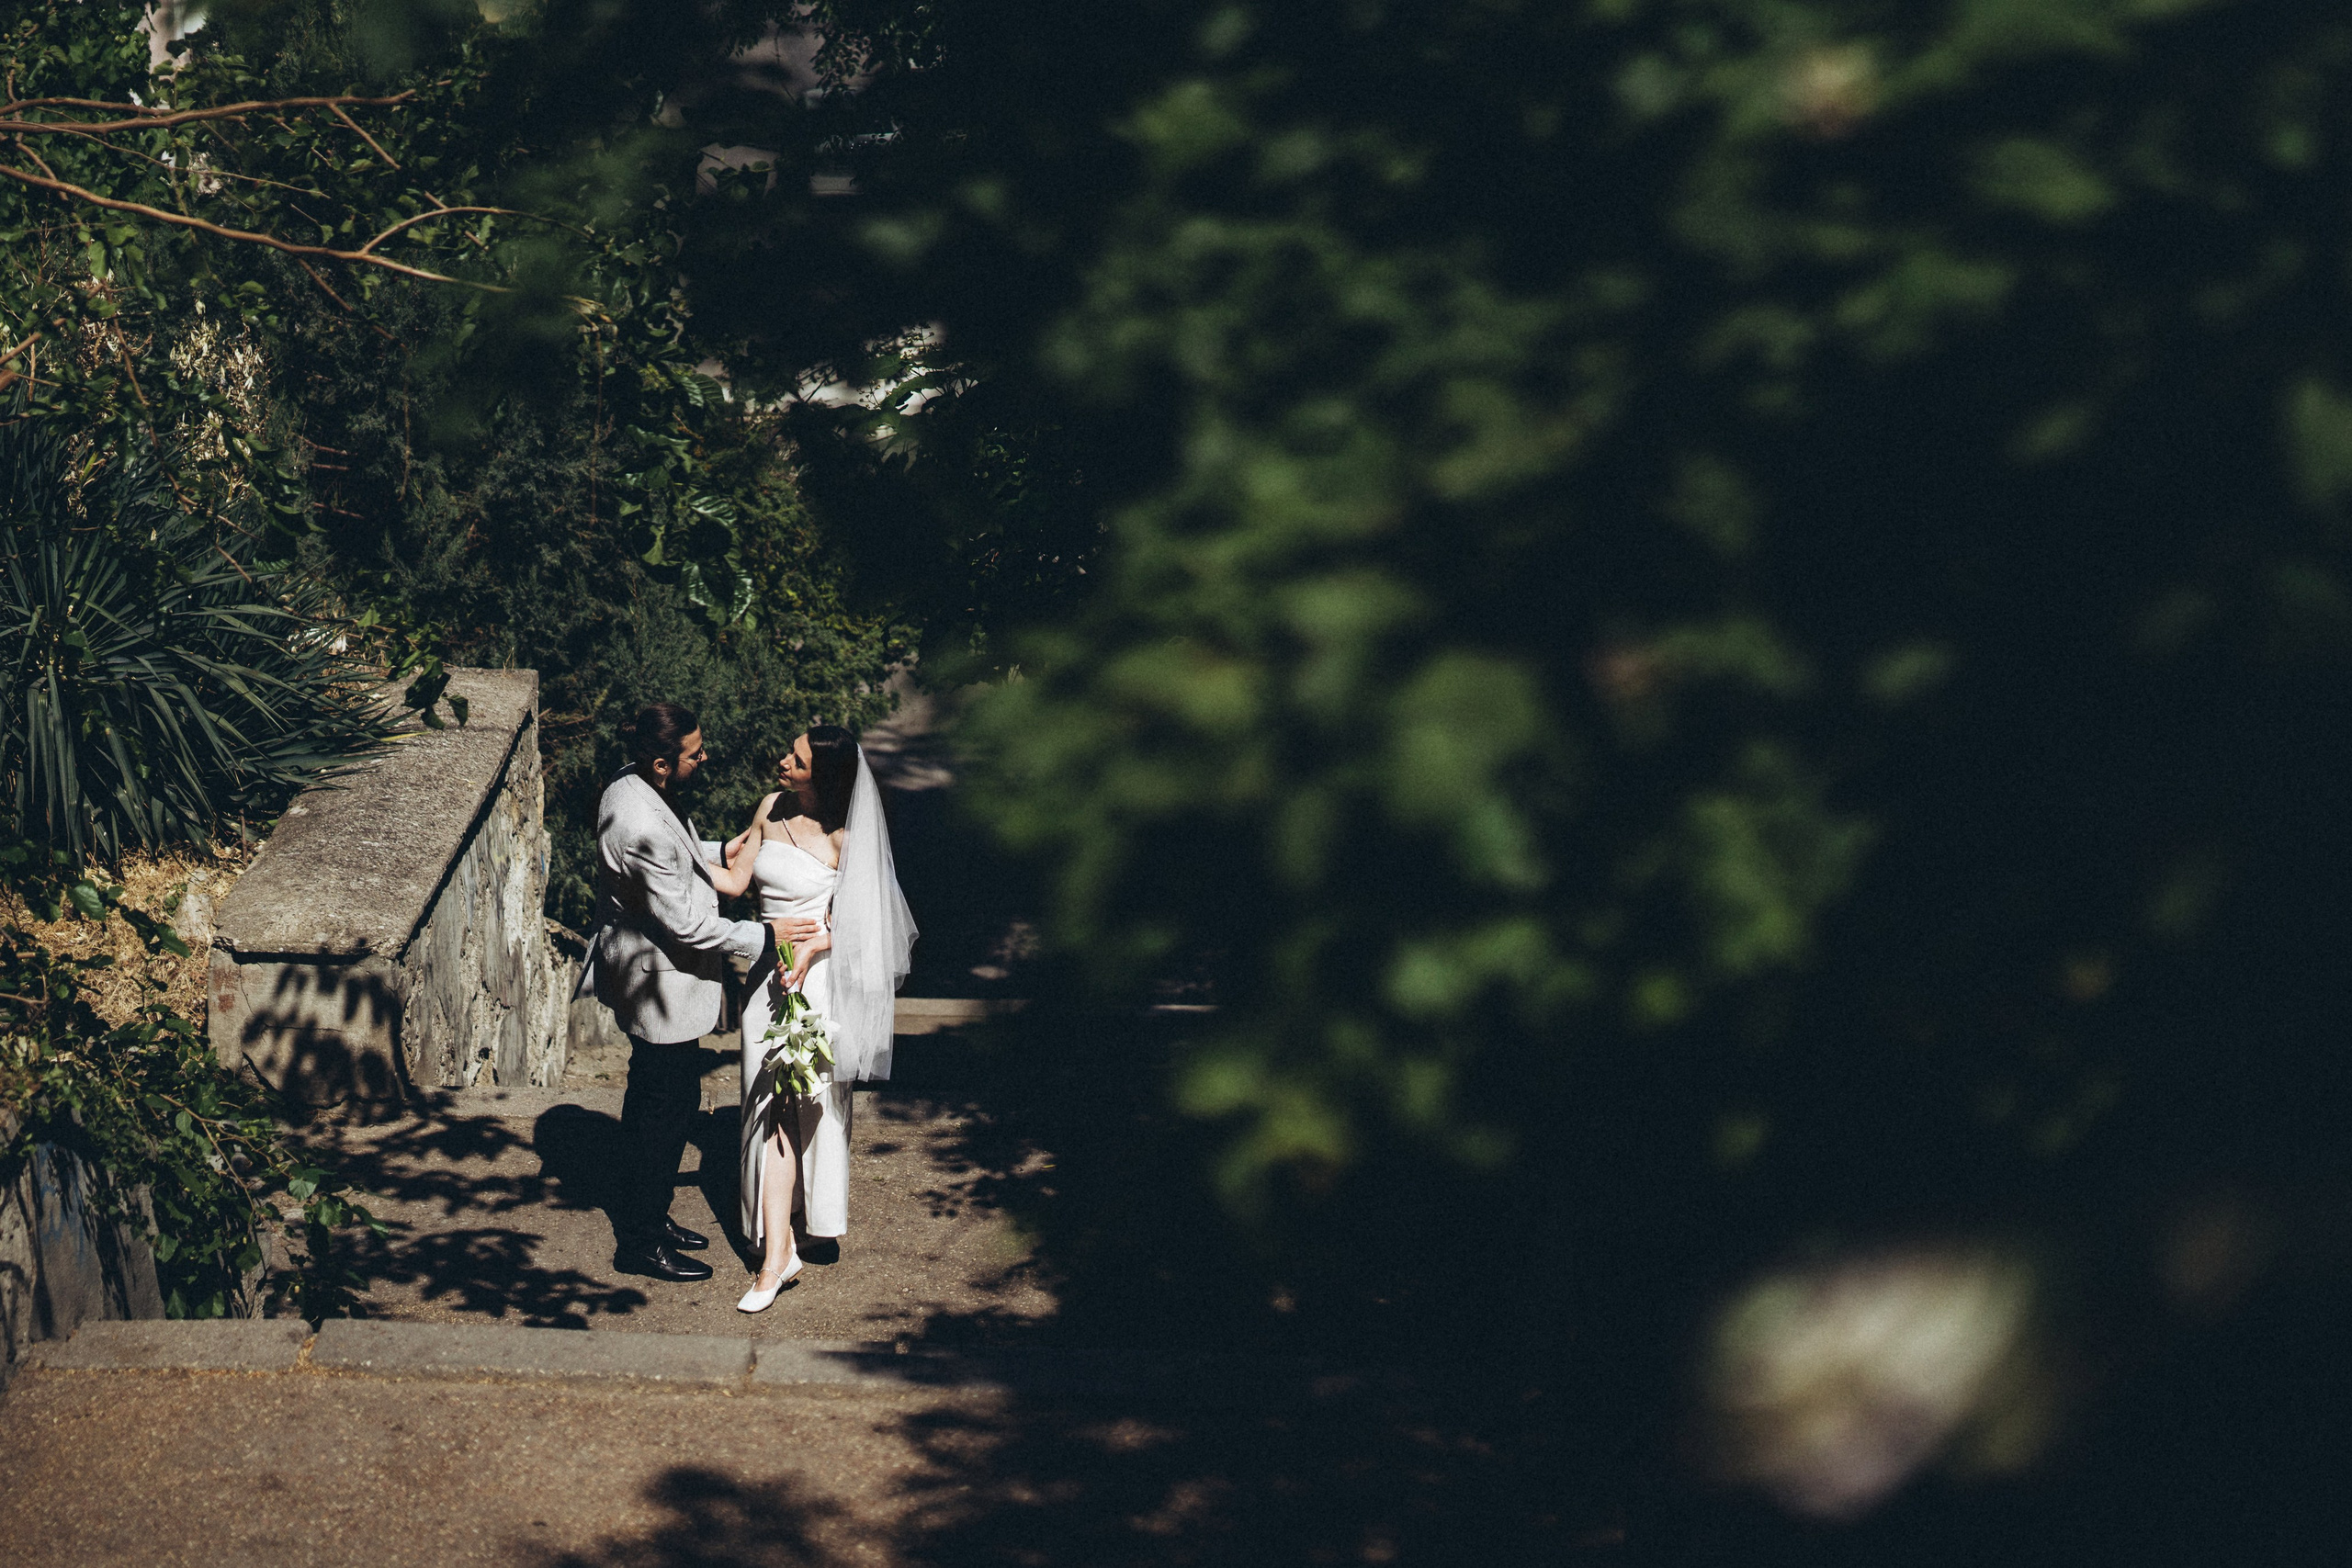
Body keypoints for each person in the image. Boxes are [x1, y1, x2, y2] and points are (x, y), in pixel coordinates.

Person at [581, 703, 821, 1282]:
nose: (705, 758)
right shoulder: (636, 820)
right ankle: (638, 1240)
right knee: (662, 1115)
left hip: (661, 975)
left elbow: (674, 854)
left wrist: (717, 852)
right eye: (695, 754)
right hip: (658, 982)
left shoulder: (632, 781)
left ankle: (651, 1214)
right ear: (663, 763)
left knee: (657, 1103)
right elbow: (688, 925)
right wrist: (765, 934)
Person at [709, 724, 916, 1312]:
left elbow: (868, 929)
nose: (781, 762)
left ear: (820, 777)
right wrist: (671, 862)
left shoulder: (847, 840)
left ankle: (787, 1244)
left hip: (815, 988)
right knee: (768, 1109)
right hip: (764, 986)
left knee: (801, 1112)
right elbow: (735, 880)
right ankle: (780, 1250)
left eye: (795, 761)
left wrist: (814, 946)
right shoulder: (770, 809)